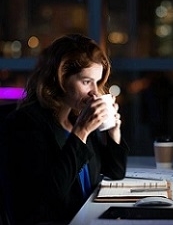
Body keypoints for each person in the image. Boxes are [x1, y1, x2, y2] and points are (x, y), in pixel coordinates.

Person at [0, 34, 129, 224]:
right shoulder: (25, 125)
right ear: (60, 79)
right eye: (86, 81)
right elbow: (46, 198)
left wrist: (112, 133)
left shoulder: (76, 116)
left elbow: (116, 172)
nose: (95, 91)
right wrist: (81, 132)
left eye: (97, 81)